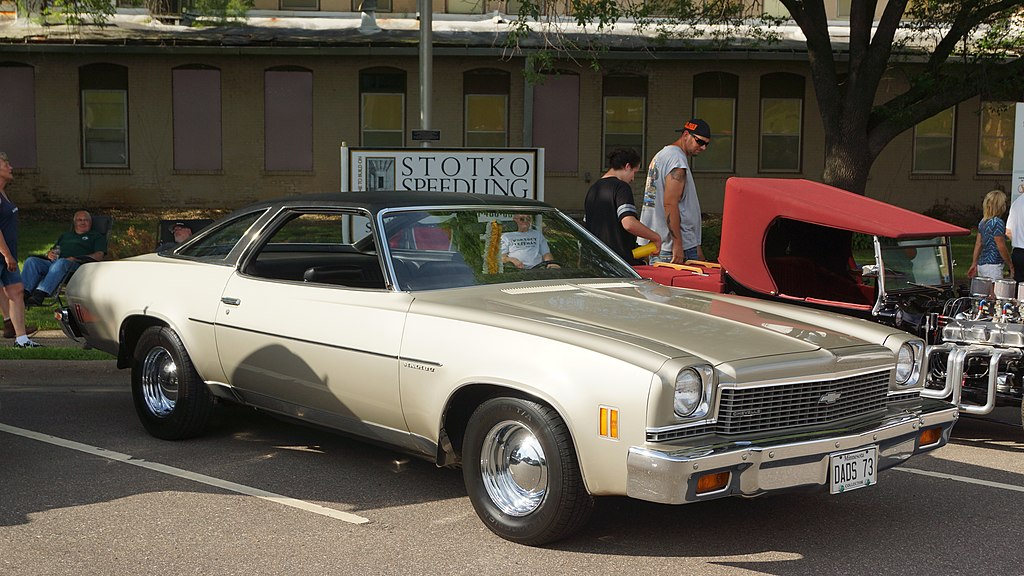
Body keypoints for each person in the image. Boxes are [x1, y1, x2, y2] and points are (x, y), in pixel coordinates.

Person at [639, 118, 711, 264]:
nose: (703, 148)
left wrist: (695, 246)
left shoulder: (661, 155)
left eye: (706, 144)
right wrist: (678, 244)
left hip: (659, 243)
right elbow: (670, 204)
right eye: (700, 142)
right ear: (686, 135)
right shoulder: (677, 160)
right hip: (671, 247)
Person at [584, 148, 661, 264]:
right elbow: (629, 223)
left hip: (596, 262)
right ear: (627, 166)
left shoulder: (593, 189)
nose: (633, 179)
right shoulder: (621, 187)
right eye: (634, 172)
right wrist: (655, 237)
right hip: (620, 263)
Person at [23, 210, 108, 307]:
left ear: (90, 222)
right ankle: (24, 293)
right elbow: (55, 250)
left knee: (61, 262)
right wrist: (49, 254)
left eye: (86, 220)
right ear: (74, 222)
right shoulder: (65, 236)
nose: (83, 222)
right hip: (56, 264)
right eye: (79, 220)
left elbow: (99, 255)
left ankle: (39, 295)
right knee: (32, 261)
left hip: (78, 266)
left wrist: (76, 258)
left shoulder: (96, 236)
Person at [0, 152, 41, 347]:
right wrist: (7, 255)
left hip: (8, 253)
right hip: (3, 253)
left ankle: (22, 339)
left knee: (16, 291)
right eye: (6, 164)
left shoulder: (3, 193)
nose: (11, 167)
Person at [967, 189, 1012, 280]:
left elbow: (978, 244)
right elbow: (1001, 246)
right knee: (994, 292)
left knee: (985, 292)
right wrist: (1010, 264)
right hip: (994, 264)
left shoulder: (983, 222)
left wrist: (974, 262)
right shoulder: (997, 223)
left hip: (982, 263)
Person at [1005, 191, 1024, 283]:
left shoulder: (1016, 203)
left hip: (1018, 252)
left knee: (1020, 288)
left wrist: (1018, 240)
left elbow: (1008, 231)